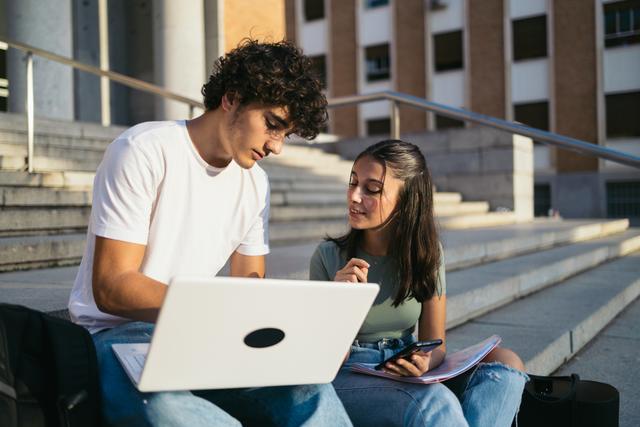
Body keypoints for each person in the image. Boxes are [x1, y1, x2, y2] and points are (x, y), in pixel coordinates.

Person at [68, 40, 352, 426]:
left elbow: (248, 287)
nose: (277, 147)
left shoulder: (255, 185)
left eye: (287, 134)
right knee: (170, 405)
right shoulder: (143, 150)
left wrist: (296, 336)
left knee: (311, 392)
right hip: (120, 336)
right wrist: (214, 315)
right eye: (272, 125)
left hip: (205, 336)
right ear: (231, 99)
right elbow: (113, 285)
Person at [309, 140, 529, 427]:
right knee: (432, 402)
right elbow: (319, 361)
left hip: (404, 365)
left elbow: (436, 345)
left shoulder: (427, 254)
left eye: (371, 189)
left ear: (407, 201)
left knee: (507, 364)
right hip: (350, 373)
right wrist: (339, 302)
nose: (354, 196)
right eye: (353, 183)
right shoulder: (328, 257)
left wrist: (424, 361)